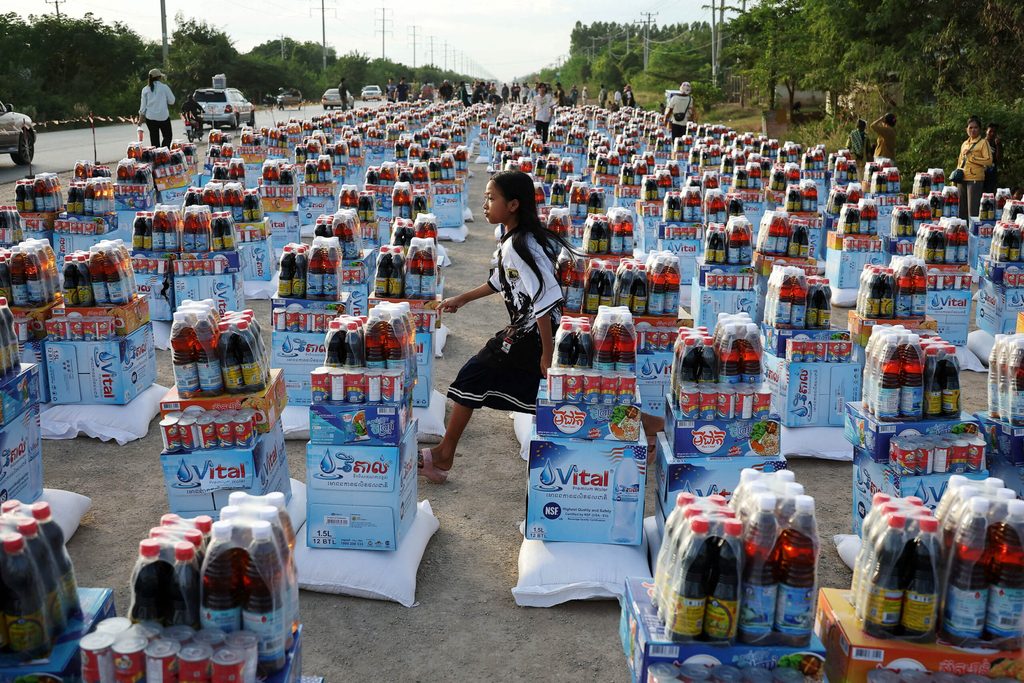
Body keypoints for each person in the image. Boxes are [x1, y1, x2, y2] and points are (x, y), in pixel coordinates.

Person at [419, 170, 570, 482]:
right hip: (527, 332)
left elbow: (543, 299)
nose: (485, 204)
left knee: (473, 377)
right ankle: (445, 453)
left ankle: (445, 454)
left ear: (513, 205)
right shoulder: (513, 241)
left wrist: (547, 352)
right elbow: (501, 280)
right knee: (537, 394)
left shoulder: (520, 244)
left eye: (491, 198)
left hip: (533, 334)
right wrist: (462, 298)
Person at [954, 115, 993, 220]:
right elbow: (960, 162)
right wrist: (955, 178)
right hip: (962, 179)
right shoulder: (965, 144)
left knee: (973, 211)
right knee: (961, 211)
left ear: (979, 129)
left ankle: (973, 234)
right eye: (970, 127)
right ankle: (962, 234)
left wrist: (973, 158)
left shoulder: (983, 143)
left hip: (975, 179)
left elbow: (989, 161)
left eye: (975, 127)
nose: (973, 130)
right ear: (966, 129)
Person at [138, 68, 175, 148]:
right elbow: (172, 101)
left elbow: (143, 106)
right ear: (159, 77)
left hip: (150, 118)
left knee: (154, 140)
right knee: (168, 136)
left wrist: (140, 119)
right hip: (163, 117)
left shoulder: (145, 89)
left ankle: (156, 156)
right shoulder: (164, 87)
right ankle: (164, 153)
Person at [985, 123, 1003, 194]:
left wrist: (998, 145)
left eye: (994, 132)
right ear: (986, 131)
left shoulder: (997, 144)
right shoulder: (982, 142)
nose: (992, 134)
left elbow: (999, 159)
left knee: (990, 194)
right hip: (981, 173)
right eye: (990, 131)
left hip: (992, 174)